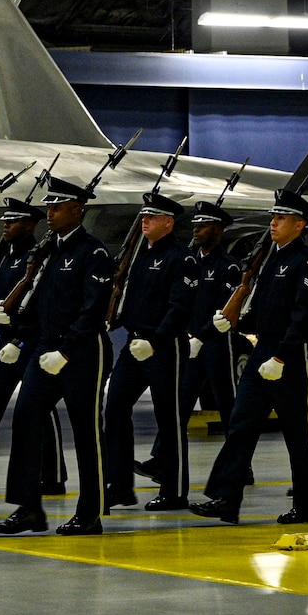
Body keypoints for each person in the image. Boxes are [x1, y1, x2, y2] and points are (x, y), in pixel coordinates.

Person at [0, 173, 115, 536]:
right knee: (26, 416)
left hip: (83, 350)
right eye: (48, 206)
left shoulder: (94, 252)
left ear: (77, 210)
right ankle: (28, 508)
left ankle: (90, 513)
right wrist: (16, 330)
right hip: (44, 346)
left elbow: (93, 311)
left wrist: (67, 350)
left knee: (87, 430)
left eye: (57, 207)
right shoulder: (45, 252)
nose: (50, 212)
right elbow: (37, 303)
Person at [188, 190, 308, 526]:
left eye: (281, 219)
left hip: (290, 355)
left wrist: (280, 357)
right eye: (273, 217)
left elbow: (305, 316)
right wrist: (225, 323)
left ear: (299, 225)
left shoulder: (307, 262)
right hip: (262, 351)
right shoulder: (270, 261)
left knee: (298, 432)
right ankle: (226, 498)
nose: (273, 223)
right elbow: (259, 312)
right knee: (240, 424)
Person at [102, 192, 191, 510]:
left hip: (164, 346)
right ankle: (120, 485)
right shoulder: (142, 256)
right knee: (113, 410)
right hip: (133, 345)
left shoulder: (182, 257)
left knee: (169, 419)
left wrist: (155, 341)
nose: (144, 221)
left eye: (151, 217)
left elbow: (180, 307)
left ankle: (175, 490)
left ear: (168, 222)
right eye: (143, 216)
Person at [149, 197, 240, 501]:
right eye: (196, 224)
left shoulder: (227, 267)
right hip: (189, 345)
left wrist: (202, 335)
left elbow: (225, 310)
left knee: (228, 406)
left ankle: (241, 464)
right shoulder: (189, 260)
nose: (197, 229)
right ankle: (160, 459)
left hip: (215, 343)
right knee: (178, 405)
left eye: (204, 225)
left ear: (218, 229)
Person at [0, 197, 64, 487]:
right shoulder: (6, 256)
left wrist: (21, 340)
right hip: (4, 341)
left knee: (40, 409)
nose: (6, 225)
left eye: (12, 222)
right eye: (5, 220)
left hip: (31, 342)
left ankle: (52, 475)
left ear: (30, 225)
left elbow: (41, 307)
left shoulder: (37, 259)